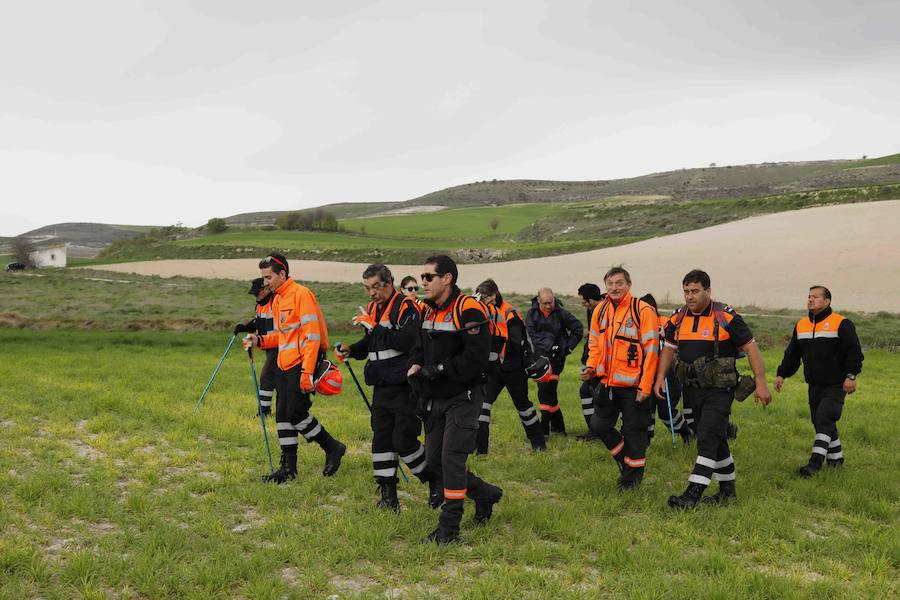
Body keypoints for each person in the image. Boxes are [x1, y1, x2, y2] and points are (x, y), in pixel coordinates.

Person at [654, 269, 772, 508]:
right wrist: (659, 378)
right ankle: (728, 493)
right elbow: (667, 349)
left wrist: (761, 384)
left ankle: (692, 494)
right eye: (686, 291)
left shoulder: (726, 316)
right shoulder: (677, 318)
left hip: (720, 390)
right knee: (716, 438)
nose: (689, 296)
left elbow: (751, 349)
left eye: (695, 291)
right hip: (691, 388)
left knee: (707, 435)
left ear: (708, 291)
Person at [408, 255, 503, 545]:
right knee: (434, 461)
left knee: (451, 459)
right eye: (422, 277)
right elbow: (419, 346)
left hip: (465, 396)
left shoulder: (469, 309)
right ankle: (485, 493)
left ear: (447, 278)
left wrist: (436, 370)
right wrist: (415, 364)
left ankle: (449, 530)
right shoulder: (427, 310)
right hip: (435, 398)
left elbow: (475, 359)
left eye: (428, 277)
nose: (422, 282)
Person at [334, 264, 438, 511]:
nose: (371, 293)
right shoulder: (372, 309)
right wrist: (352, 349)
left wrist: (375, 327)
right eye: (367, 288)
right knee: (381, 440)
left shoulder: (406, 307)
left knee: (403, 439)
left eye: (376, 287)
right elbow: (372, 342)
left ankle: (435, 481)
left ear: (389, 283)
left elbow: (408, 341)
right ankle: (388, 496)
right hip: (381, 384)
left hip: (405, 384)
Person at [242, 253, 347, 483]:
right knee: (282, 416)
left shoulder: (302, 294)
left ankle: (332, 447)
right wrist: (258, 341)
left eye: (268, 277)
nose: (265, 282)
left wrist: (307, 372)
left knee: (296, 414)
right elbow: (282, 336)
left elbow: (312, 337)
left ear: (282, 274)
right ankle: (288, 468)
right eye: (264, 277)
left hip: (301, 364)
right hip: (283, 363)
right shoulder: (277, 299)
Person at [581, 267, 659, 489]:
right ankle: (627, 463)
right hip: (607, 383)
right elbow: (594, 345)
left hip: (635, 387)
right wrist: (591, 368)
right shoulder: (600, 311)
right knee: (599, 425)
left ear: (629, 285)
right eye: (610, 284)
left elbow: (652, 351)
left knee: (634, 433)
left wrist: (645, 386)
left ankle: (630, 484)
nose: (614, 288)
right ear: (605, 286)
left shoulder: (642, 310)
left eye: (619, 283)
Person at [774, 285, 863, 478]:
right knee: (820, 422)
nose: (810, 300)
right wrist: (782, 374)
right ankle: (836, 460)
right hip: (814, 384)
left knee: (825, 418)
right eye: (809, 296)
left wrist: (851, 376)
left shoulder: (841, 323)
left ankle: (814, 465)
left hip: (836, 384)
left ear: (827, 301)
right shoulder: (802, 325)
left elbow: (854, 352)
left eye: (815, 297)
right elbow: (792, 354)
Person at [474, 279, 546, 454]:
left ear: (494, 295)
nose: (481, 301)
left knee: (524, 407)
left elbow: (516, 342)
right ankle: (480, 451)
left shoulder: (510, 312)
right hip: (494, 369)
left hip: (513, 368)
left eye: (484, 297)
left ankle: (539, 445)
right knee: (483, 407)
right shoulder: (482, 310)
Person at [525, 288, 583, 437]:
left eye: (551, 302)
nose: (549, 305)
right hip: (539, 361)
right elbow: (530, 335)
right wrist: (541, 351)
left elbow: (578, 329)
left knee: (545, 393)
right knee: (548, 394)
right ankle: (559, 428)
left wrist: (567, 348)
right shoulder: (531, 314)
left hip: (557, 361)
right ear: (538, 301)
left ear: (554, 298)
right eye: (545, 303)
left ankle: (544, 430)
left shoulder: (562, 313)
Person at [640, 293, 694, 444]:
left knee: (665, 412)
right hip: (646, 374)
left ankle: (685, 431)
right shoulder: (638, 324)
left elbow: (676, 345)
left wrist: (664, 336)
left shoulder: (664, 322)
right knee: (646, 408)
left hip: (667, 375)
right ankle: (646, 439)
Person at [233, 278, 276, 416]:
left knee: (266, 377)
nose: (255, 296)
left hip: (280, 346)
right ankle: (274, 411)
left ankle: (264, 412)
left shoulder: (275, 302)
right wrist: (246, 327)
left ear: (266, 289)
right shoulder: (259, 306)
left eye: (257, 293)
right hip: (268, 346)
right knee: (278, 380)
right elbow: (258, 322)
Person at [576, 283, 605, 440]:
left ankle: (599, 431)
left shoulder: (603, 311)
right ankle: (593, 431)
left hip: (602, 363)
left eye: (584, 301)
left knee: (598, 396)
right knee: (585, 391)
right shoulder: (592, 310)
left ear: (591, 301)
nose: (583, 305)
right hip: (591, 359)